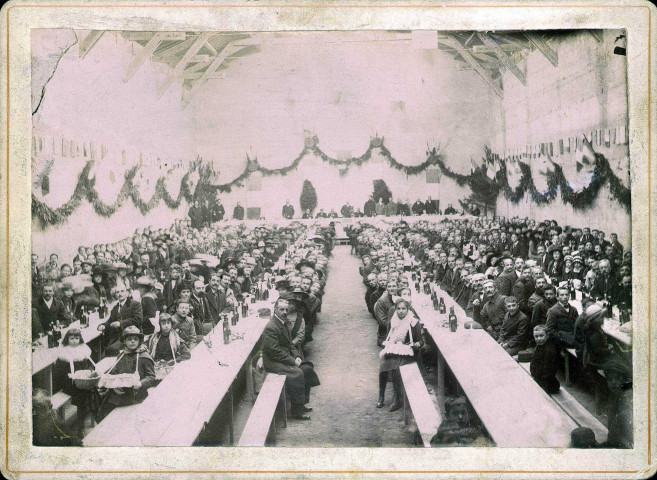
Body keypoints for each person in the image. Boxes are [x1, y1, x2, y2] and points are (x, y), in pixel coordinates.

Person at [261, 298, 319, 420]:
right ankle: (296, 411)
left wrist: (297, 356)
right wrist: (293, 361)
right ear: (275, 310)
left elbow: (290, 345)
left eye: (286, 309)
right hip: (273, 362)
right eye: (281, 309)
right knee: (297, 373)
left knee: (307, 368)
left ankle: (301, 403)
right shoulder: (271, 327)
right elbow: (274, 352)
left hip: (284, 358)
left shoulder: (283, 322)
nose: (284, 312)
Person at [96, 326, 157, 422]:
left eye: (135, 339)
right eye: (129, 339)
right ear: (124, 341)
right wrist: (113, 384)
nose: (132, 341)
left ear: (139, 341)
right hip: (121, 392)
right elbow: (114, 373)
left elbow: (152, 377)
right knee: (103, 411)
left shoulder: (144, 357)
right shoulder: (122, 355)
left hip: (137, 394)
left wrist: (141, 384)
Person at [52, 328, 100, 436]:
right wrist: (70, 378)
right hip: (68, 383)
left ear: (80, 339)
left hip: (81, 381)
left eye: (77, 338)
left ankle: (88, 418)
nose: (74, 341)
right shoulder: (64, 352)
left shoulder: (83, 350)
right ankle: (81, 425)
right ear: (67, 339)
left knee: (90, 391)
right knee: (84, 394)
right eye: (72, 338)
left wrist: (88, 373)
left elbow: (88, 366)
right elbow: (59, 374)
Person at [377, 299, 422, 411]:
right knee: (383, 367)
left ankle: (398, 399)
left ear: (408, 309)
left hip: (408, 352)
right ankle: (381, 395)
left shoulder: (413, 322)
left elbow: (421, 341)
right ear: (395, 309)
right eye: (398, 309)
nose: (401, 311)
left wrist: (417, 344)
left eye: (403, 309)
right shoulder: (393, 320)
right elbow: (388, 336)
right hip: (394, 350)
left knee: (396, 369)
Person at [98, 283, 144, 356]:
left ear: (127, 293)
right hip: (118, 338)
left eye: (122, 291)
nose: (120, 294)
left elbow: (138, 319)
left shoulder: (135, 304)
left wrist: (120, 323)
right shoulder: (115, 308)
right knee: (103, 351)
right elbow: (110, 321)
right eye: (117, 292)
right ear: (115, 295)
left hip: (131, 337)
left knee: (109, 350)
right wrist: (103, 325)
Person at [530, 325, 561, 394]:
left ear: (547, 335)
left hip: (548, 383)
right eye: (536, 336)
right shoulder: (538, 347)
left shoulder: (550, 351)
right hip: (538, 378)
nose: (539, 339)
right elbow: (533, 362)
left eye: (541, 336)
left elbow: (549, 371)